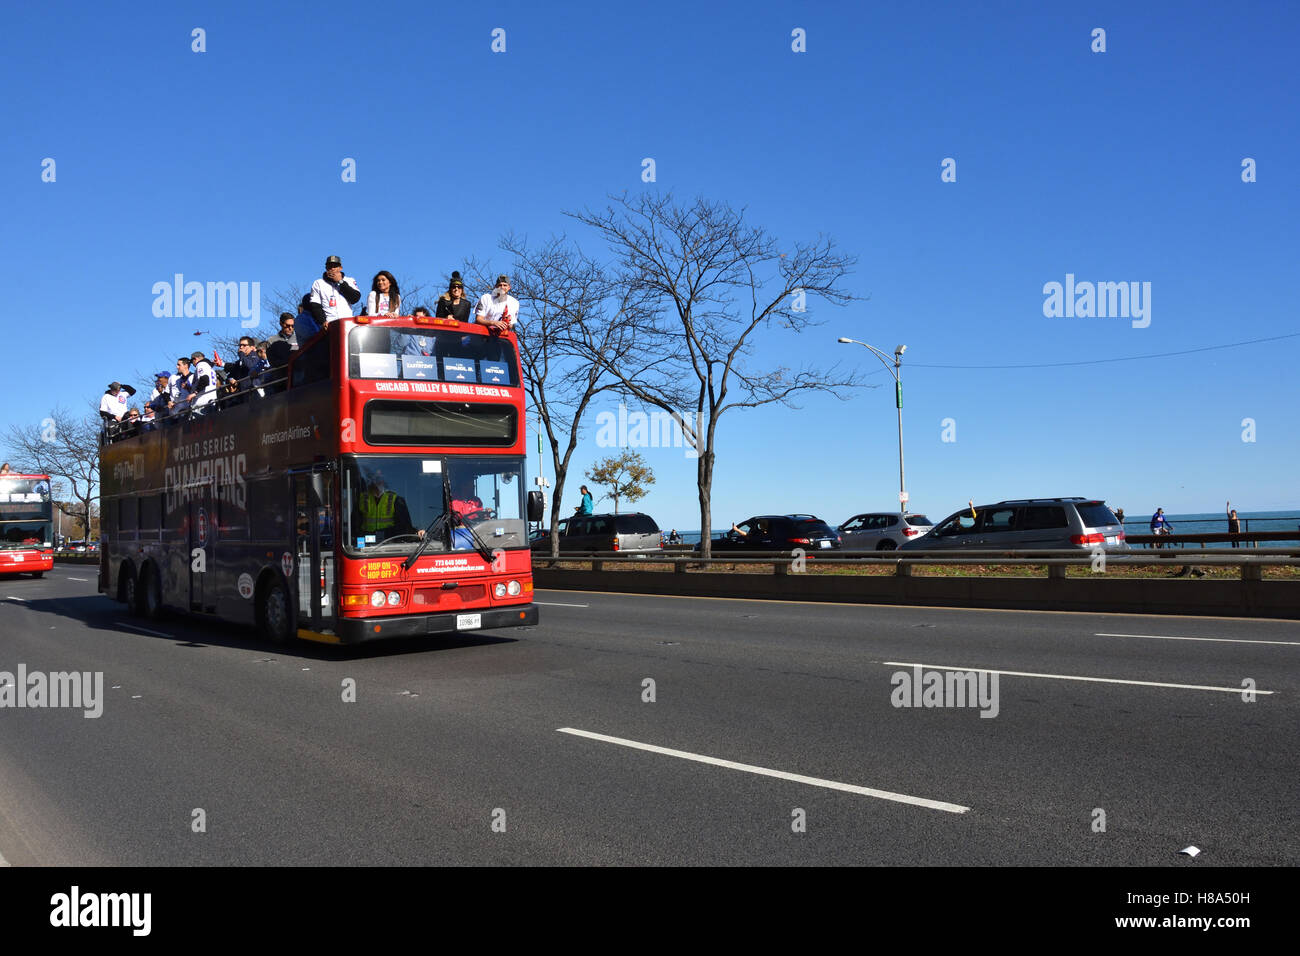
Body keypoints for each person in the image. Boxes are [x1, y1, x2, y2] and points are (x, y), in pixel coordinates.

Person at [308, 255, 361, 325]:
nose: (332, 268)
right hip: (329, 324)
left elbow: (355, 298)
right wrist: (323, 321)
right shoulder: (318, 283)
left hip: (347, 323)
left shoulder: (350, 280)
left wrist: (340, 281)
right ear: (326, 268)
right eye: (330, 266)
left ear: (340, 268)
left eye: (335, 266)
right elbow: (315, 305)